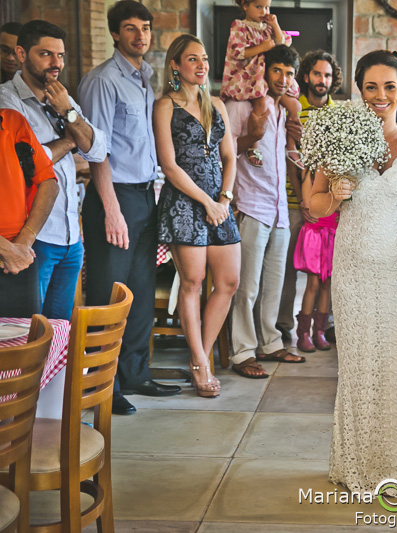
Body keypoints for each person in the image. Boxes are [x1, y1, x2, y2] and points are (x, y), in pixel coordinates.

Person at [308, 50, 397, 492]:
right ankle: (358, 464)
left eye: (389, 87)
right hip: (354, 273)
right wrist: (335, 194)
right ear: (359, 91)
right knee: (359, 368)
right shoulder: (341, 138)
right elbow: (313, 206)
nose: (380, 95)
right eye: (370, 87)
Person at [78, 0, 181, 416]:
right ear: (115, 34)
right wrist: (111, 209)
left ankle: (135, 374)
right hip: (114, 196)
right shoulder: (102, 81)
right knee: (108, 294)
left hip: (143, 194)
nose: (141, 36)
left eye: (146, 28)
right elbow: (96, 150)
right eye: (131, 28)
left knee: (138, 291)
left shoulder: (145, 77)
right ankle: (102, 385)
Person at [0, 20, 107, 321]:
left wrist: (68, 112)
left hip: (71, 234)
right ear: (21, 54)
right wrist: (71, 141)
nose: (56, 63)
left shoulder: (62, 97)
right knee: (30, 330)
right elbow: (28, 163)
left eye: (60, 55)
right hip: (34, 237)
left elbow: (97, 150)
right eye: (46, 54)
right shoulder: (7, 101)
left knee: (60, 331)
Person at [153, 34, 241, 397]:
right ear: (175, 65)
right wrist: (207, 202)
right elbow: (169, 166)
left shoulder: (217, 104)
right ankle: (201, 364)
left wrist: (224, 198)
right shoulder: (164, 106)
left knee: (229, 282)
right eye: (192, 59)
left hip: (219, 203)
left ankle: (200, 354)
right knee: (192, 281)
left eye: (204, 58)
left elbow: (230, 157)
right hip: (184, 203)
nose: (201, 65)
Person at [227, 44, 306, 380]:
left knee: (273, 284)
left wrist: (299, 140)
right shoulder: (240, 106)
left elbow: (287, 159)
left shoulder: (284, 108)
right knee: (247, 287)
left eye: (289, 73)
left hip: (279, 210)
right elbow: (224, 151)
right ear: (263, 70)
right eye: (277, 71)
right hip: (251, 205)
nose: (283, 79)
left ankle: (270, 343)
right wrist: (253, 135)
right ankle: (242, 351)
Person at [276, 49, 342, 342]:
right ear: (306, 76)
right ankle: (283, 324)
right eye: (317, 73)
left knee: (326, 273)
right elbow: (292, 160)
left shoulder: (337, 115)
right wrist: (302, 200)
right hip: (294, 202)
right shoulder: (293, 107)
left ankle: (324, 326)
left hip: (327, 206)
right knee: (288, 269)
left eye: (327, 75)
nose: (322, 80)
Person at [221, 0, 302, 168]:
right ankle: (254, 145)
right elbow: (238, 52)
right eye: (258, 7)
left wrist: (275, 24)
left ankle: (292, 145)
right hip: (249, 76)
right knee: (260, 102)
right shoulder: (240, 26)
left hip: (265, 77)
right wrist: (262, 47)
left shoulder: (268, 27)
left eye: (267, 7)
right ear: (245, 6)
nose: (264, 11)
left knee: (295, 105)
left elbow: (283, 44)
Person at [0, 109, 58, 318]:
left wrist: (25, 241)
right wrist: (5, 248)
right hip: (12, 255)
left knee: (27, 336)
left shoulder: (12, 121)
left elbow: (49, 183)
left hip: (18, 261)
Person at [292, 169, 336, 353]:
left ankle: (320, 331)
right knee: (313, 283)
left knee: (327, 283)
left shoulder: (339, 172)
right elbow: (309, 203)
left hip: (333, 231)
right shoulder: (310, 171)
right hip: (315, 231)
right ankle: (303, 332)